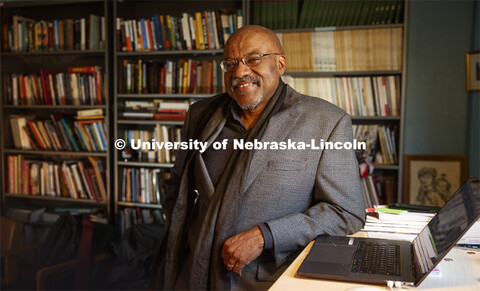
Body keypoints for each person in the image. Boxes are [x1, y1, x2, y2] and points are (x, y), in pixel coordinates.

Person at [152, 25, 365, 290]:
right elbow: (177, 186)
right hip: (194, 271)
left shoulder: (327, 122)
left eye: (253, 60)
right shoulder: (200, 114)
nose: (239, 72)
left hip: (268, 279)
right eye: (230, 63)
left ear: (280, 63)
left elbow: (346, 212)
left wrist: (266, 235)